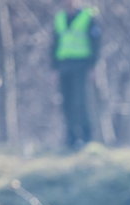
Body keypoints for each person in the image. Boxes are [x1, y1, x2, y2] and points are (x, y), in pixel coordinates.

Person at [51, 0, 100, 150]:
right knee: (66, 103)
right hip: (64, 64)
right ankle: (70, 138)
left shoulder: (88, 16)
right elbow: (54, 43)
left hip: (82, 64)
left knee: (81, 102)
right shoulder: (59, 17)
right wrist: (53, 68)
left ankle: (87, 137)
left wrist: (93, 66)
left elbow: (96, 42)